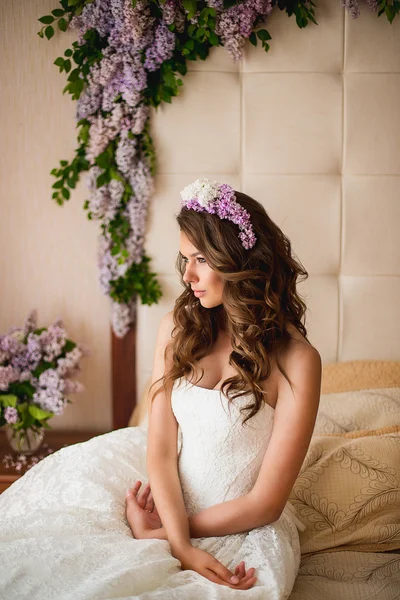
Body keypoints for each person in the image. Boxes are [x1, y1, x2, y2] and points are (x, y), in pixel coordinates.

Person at [125, 178, 322, 597]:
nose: (189, 275)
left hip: (244, 528)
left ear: (238, 259)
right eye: (185, 259)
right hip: (166, 505)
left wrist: (166, 534)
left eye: (201, 258)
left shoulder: (297, 361)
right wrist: (177, 542)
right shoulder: (177, 329)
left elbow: (266, 504)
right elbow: (159, 447)